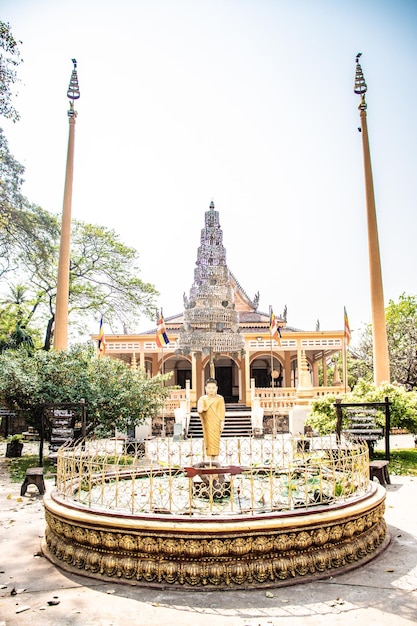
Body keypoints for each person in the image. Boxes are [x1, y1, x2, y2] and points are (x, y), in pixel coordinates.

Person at [197, 378, 225, 460]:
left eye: (213, 388)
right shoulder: (203, 399)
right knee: (208, 441)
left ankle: (215, 459)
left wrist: (222, 422)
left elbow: (222, 411)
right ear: (205, 388)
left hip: (216, 423)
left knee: (215, 442)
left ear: (217, 388)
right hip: (207, 423)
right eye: (209, 388)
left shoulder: (220, 398)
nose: (211, 390)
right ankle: (208, 459)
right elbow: (200, 409)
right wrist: (200, 406)